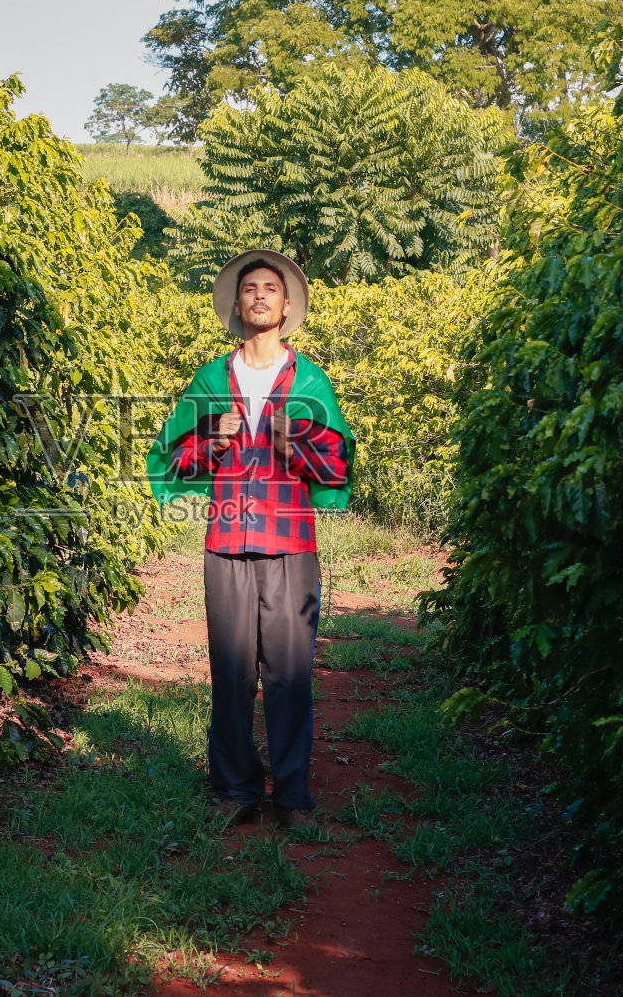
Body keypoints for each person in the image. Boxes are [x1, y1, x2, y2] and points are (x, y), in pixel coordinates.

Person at [146, 250, 355, 830]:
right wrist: (214, 437)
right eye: (250, 289)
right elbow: (173, 456)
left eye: (271, 287)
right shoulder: (212, 379)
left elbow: (336, 465)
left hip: (290, 545)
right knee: (231, 671)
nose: (260, 295)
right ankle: (235, 790)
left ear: (287, 307)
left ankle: (291, 798)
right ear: (237, 306)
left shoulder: (310, 380)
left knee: (290, 674)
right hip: (227, 542)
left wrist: (296, 447)